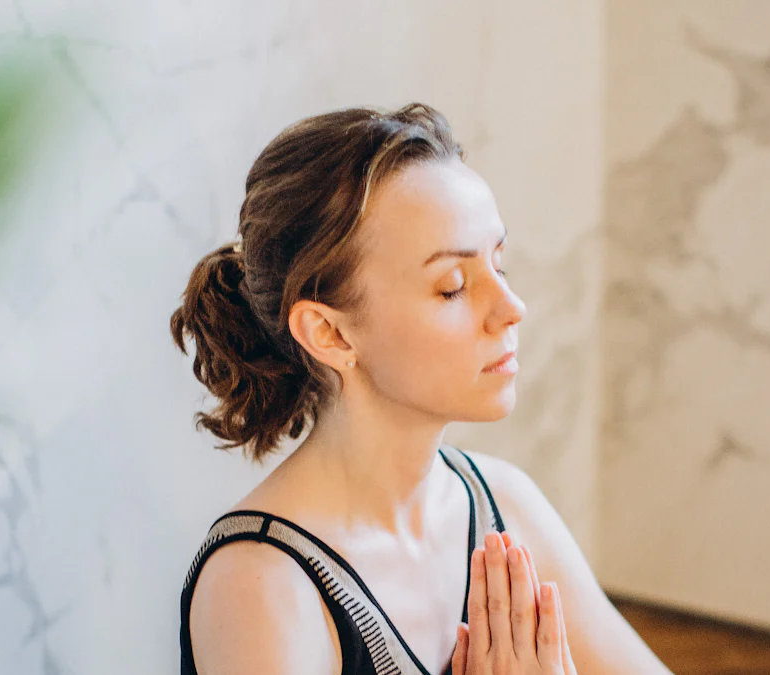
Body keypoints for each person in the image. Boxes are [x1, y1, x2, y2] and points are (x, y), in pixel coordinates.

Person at [170, 103, 671, 675]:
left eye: (499, 265)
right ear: (330, 333)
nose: (512, 308)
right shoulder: (261, 585)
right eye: (452, 287)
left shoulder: (504, 507)